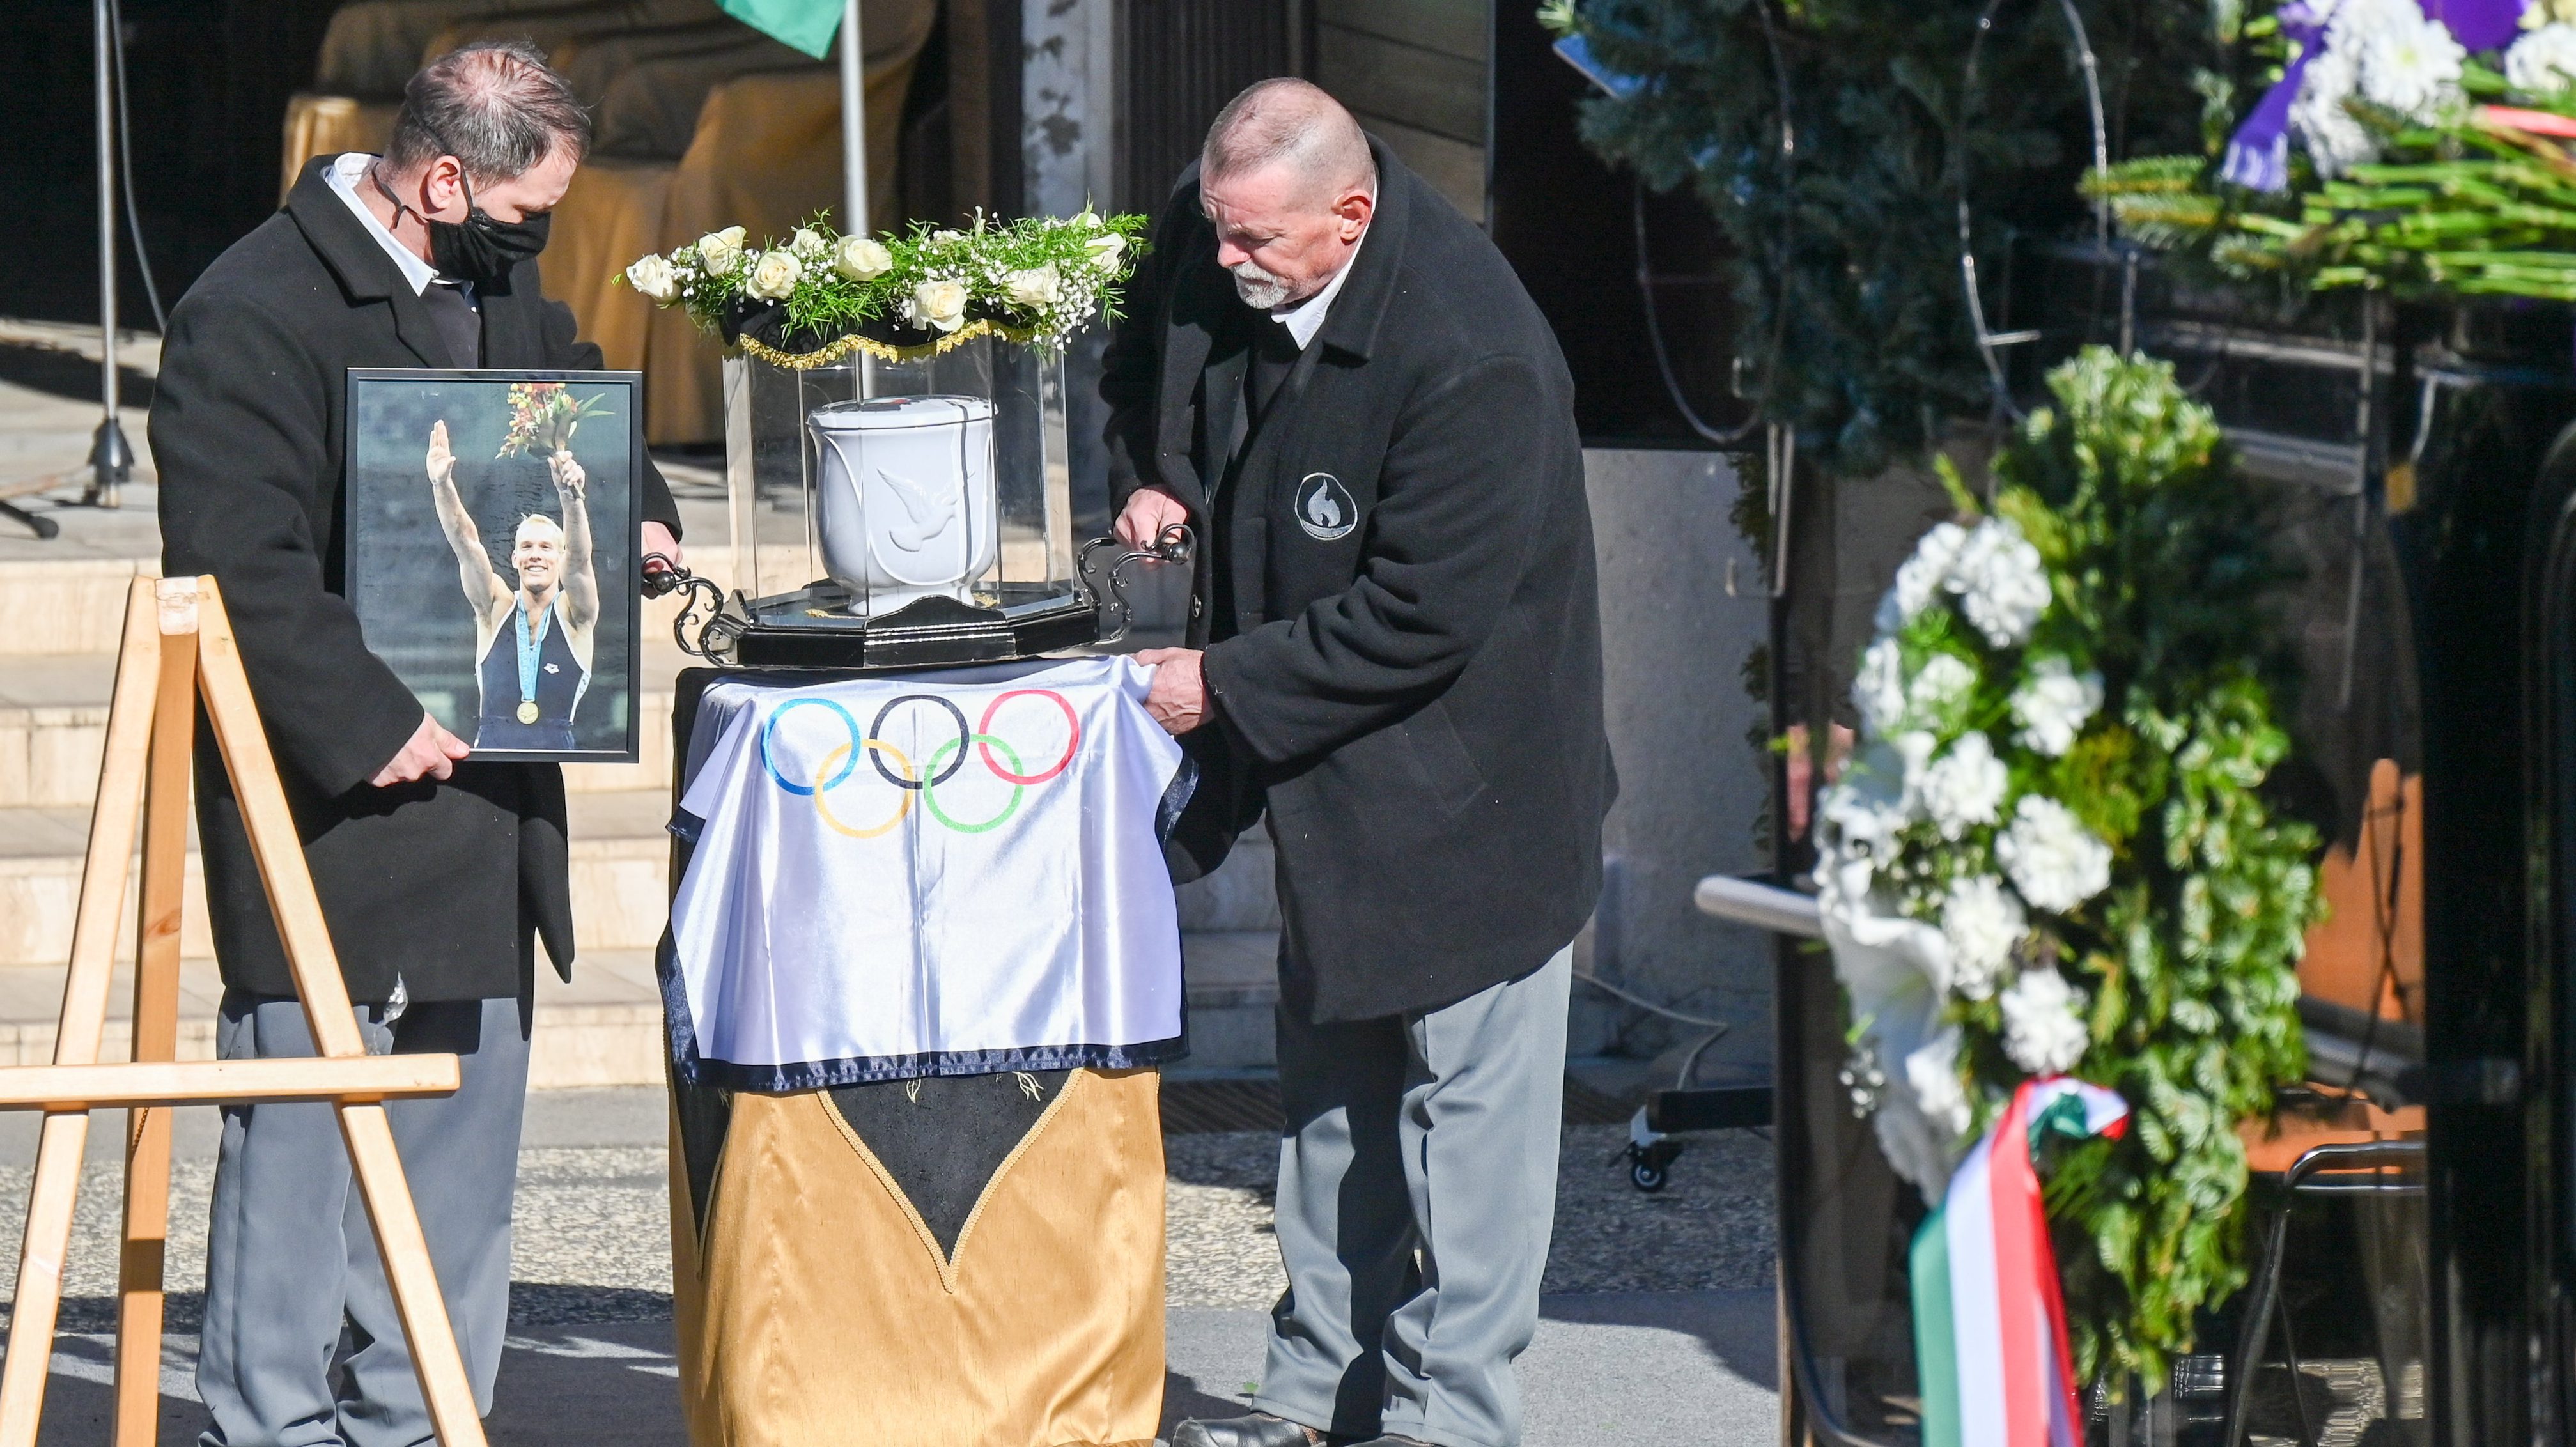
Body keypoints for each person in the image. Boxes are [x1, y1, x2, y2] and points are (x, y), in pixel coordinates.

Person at [151, 40, 680, 1446]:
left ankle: (420, 1418)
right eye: (527, 210)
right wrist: (377, 721)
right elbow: (233, 563)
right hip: (330, 798)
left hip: (489, 794)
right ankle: (268, 1424)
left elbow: (570, 394)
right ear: (446, 177)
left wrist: (636, 506)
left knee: (461, 1153)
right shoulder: (250, 306)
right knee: (303, 1139)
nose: (539, 241)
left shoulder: (495, 275)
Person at [1101, 80, 1613, 1447]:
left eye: (1254, 244)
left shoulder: (1472, 354)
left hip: (1476, 787)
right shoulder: (1224, 231)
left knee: (1466, 1134)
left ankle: (1450, 1418)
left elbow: (1419, 616)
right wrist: (1151, 469)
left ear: (1351, 214)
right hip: (1320, 770)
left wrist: (1215, 683)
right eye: (1215, 230)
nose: (1223, 262)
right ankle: (1311, 1393)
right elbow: (1145, 340)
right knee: (1330, 1098)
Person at [424, 420, 598, 750]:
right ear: (515, 557)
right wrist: (441, 484)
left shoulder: (575, 616)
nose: (536, 555)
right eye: (528, 547)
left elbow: (579, 561)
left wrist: (570, 498)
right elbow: (466, 543)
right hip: (492, 754)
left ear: (558, 558)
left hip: (554, 756)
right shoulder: (496, 607)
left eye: (546, 548)